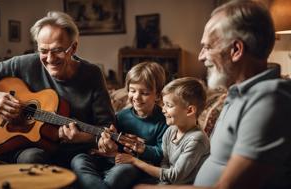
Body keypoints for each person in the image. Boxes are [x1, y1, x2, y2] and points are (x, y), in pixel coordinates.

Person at [135, 1, 291, 189]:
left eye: (207, 47)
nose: (200, 56)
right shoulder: (237, 94)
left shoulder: (269, 100)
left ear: (236, 50)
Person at [0, 11, 115, 165]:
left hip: (74, 153)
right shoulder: (26, 63)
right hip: (27, 146)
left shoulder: (92, 74)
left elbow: (107, 127)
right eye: (43, 51)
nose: (50, 59)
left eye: (57, 51)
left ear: (73, 48)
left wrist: (82, 137)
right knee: (32, 157)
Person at [71, 62, 168, 189]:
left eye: (144, 93)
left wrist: (142, 148)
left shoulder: (164, 120)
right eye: (132, 91)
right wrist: (105, 142)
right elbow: (110, 143)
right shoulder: (121, 115)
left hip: (133, 164)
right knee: (78, 159)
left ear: (158, 95)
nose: (136, 97)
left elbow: (161, 154)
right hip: (110, 158)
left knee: (120, 174)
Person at [115, 77, 210, 185]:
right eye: (163, 104)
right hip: (167, 183)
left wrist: (134, 161)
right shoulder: (170, 131)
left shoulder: (197, 140)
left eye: (169, 106)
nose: (163, 110)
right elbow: (164, 164)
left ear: (189, 110)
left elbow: (175, 177)